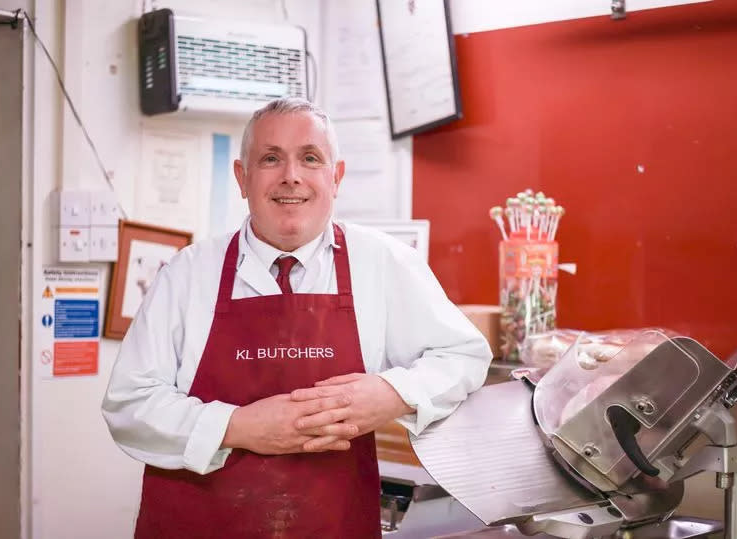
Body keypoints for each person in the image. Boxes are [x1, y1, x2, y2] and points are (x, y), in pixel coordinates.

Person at [102, 97, 491, 538]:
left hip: (331, 523)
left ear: (335, 176)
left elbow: (464, 356)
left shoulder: (383, 263)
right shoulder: (188, 272)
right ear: (241, 178)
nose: (292, 175)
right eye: (271, 158)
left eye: (310, 158)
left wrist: (392, 393)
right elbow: (129, 404)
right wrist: (238, 427)